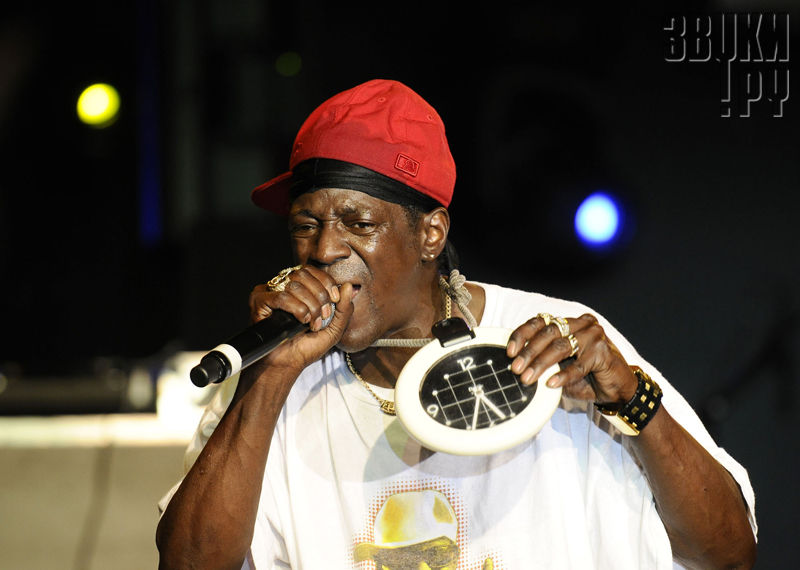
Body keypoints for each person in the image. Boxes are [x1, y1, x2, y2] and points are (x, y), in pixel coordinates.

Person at [156, 79, 757, 569]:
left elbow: (728, 553)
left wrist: (631, 399)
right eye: (305, 225)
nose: (324, 250)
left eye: (358, 223)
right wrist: (270, 376)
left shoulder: (558, 346)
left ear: (431, 234)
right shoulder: (278, 378)